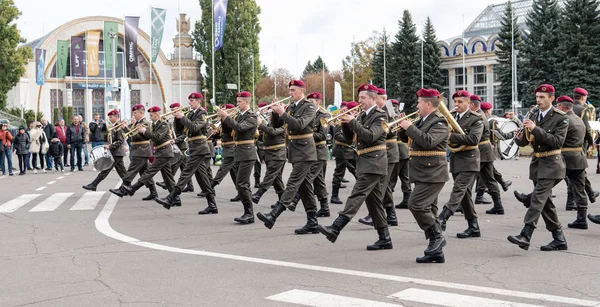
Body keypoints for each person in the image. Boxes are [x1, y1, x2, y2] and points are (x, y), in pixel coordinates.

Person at [317, 84, 391, 250]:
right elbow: (351, 139)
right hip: (365, 161)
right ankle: (385, 238)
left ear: (373, 98)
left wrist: (353, 122)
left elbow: (371, 136)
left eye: (363, 98)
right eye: (359, 98)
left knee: (356, 195)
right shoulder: (364, 115)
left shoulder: (380, 115)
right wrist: (345, 122)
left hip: (374, 162)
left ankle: (336, 227)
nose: (360, 101)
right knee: (374, 204)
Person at [508, 84, 568, 251]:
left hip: (552, 164)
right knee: (546, 203)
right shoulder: (534, 114)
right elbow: (526, 141)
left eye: (542, 97)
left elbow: (557, 141)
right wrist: (519, 137)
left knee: (537, 199)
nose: (538, 100)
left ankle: (526, 234)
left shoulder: (561, 117)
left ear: (551, 98)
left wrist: (535, 129)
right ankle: (559, 239)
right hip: (538, 164)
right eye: (537, 97)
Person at [256, 80, 320, 233]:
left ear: (301, 91)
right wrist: (274, 111)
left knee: (293, 183)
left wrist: (282, 113)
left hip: (305, 152)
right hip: (295, 151)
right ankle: (313, 222)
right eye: (290, 90)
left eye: (292, 90)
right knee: (305, 188)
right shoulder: (291, 106)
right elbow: (278, 125)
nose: (290, 93)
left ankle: (273, 215)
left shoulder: (309, 106)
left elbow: (299, 125)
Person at [397, 88, 449, 263]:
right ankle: (436, 252)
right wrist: (402, 127)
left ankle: (437, 236)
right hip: (421, 172)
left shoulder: (440, 122)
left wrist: (409, 127)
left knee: (416, 204)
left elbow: (428, 142)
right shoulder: (422, 120)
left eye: (419, 102)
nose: (417, 105)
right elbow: (408, 140)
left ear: (428, 103)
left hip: (433, 172)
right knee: (429, 209)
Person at [155, 92, 216, 210]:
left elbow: (194, 127)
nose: (189, 103)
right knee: (202, 178)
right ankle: (212, 205)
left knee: (186, 172)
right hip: (194, 147)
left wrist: (182, 117)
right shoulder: (191, 113)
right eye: (189, 100)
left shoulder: (202, 113)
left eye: (192, 100)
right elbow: (184, 131)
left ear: (198, 101)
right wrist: (177, 117)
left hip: (200, 147)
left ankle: (171, 197)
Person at [438, 90, 484, 239]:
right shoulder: (452, 118)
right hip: (457, 159)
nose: (456, 105)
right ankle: (474, 227)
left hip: (470, 160)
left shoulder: (476, 119)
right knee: (465, 196)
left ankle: (443, 217)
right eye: (455, 102)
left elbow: (473, 139)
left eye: (460, 102)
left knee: (458, 190)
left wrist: (451, 136)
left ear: (469, 103)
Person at [111, 107, 175, 199]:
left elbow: (154, 137)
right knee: (166, 177)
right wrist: (126, 129)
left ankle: (128, 189)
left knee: (144, 171)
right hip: (156, 151)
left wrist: (144, 131)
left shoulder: (160, 124)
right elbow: (133, 136)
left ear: (157, 114)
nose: (150, 117)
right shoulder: (154, 124)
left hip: (149, 150)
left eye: (152, 115)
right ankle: (172, 197)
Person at [213, 91, 257, 223]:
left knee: (241, 183)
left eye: (239, 102)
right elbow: (228, 131)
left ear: (247, 102)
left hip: (247, 152)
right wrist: (223, 119)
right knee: (243, 183)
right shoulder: (239, 115)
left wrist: (227, 117)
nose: (237, 104)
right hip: (239, 152)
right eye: (237, 101)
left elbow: (239, 128)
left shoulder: (252, 116)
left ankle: (249, 213)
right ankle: (248, 213)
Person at [358, 87, 398, 226]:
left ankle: (373, 214)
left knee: (381, 186)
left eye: (380, 98)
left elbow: (394, 131)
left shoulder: (389, 110)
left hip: (388, 151)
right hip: (377, 151)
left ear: (382, 99)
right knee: (385, 187)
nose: (378, 101)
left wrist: (383, 130)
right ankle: (391, 216)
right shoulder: (369, 113)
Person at [109, 105, 157, 201]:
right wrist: (125, 128)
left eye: (135, 113)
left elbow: (139, 137)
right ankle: (154, 193)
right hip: (138, 150)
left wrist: (126, 129)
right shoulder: (137, 123)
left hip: (142, 150)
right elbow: (131, 137)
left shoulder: (145, 123)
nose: (133, 115)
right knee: (145, 173)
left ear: (141, 113)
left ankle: (122, 190)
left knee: (132, 170)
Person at [469, 96, 504, 215]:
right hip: (486, 151)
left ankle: (460, 204)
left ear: (472, 105)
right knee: (490, 179)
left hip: (481, 151)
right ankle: (498, 205)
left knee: (468, 178)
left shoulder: (477, 116)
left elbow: (474, 136)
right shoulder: (480, 115)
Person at [83, 110, 128, 191]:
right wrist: (109, 145)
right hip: (116, 152)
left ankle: (94, 184)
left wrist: (110, 146)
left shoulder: (119, 126)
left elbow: (120, 140)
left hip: (117, 152)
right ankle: (128, 187)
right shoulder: (114, 126)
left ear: (116, 117)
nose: (109, 119)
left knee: (106, 169)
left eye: (111, 117)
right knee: (122, 172)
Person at [252, 104, 286, 204]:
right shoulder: (272, 123)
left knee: (270, 175)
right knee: (277, 179)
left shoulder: (285, 124)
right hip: (270, 153)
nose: (270, 116)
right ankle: (283, 201)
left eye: (272, 115)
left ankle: (258, 194)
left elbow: (273, 132)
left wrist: (261, 125)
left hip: (278, 154)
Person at [306, 92, 331, 218]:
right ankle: (325, 208)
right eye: (308, 101)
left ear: (318, 102)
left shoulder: (324, 115)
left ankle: (292, 201)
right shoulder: (308, 114)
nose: (310, 103)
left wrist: (307, 132)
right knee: (318, 181)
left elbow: (322, 135)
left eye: (312, 101)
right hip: (310, 151)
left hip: (319, 151)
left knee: (307, 178)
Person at [330, 102, 357, 204]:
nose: (355, 112)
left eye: (356, 110)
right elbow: (337, 135)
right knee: (339, 173)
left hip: (352, 150)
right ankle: (334, 196)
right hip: (342, 150)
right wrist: (350, 140)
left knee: (358, 171)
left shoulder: (355, 120)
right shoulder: (341, 119)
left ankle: (359, 194)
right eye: (354, 110)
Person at [209, 104, 239, 192]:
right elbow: (224, 134)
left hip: (232, 146)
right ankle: (241, 193)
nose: (222, 111)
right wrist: (216, 134)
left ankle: (211, 185)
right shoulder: (224, 120)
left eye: (225, 110)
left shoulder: (233, 119)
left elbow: (230, 130)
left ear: (231, 110)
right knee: (234, 173)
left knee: (224, 167)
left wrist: (224, 117)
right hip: (226, 146)